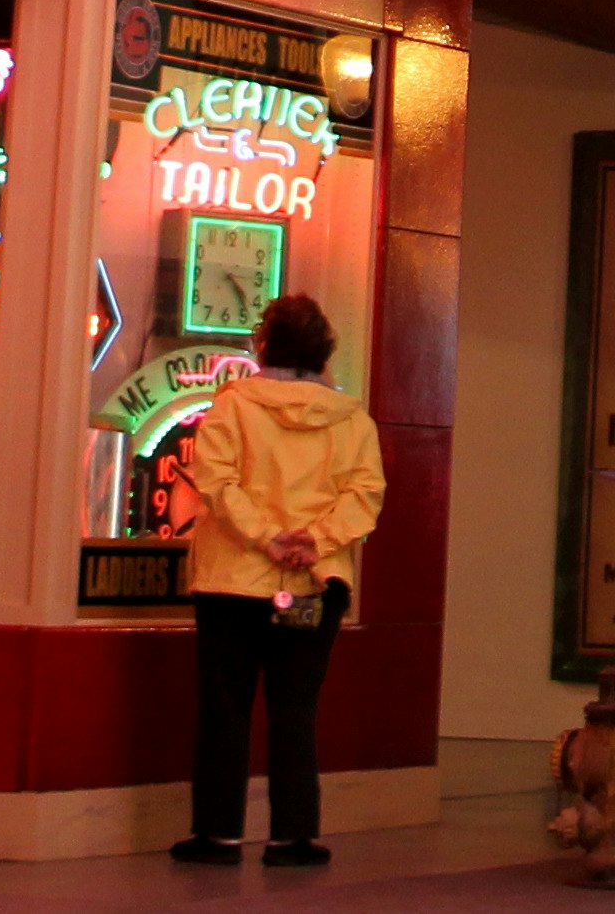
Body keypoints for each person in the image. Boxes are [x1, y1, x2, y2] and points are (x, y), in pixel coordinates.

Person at [174, 294, 388, 866]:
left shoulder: (232, 408)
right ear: (324, 352)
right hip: (315, 583)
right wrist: (312, 541)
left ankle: (217, 834)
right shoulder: (353, 421)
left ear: (263, 347)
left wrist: (266, 537)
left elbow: (216, 484)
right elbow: (365, 495)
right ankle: (293, 835)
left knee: (226, 708)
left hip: (232, 585)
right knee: (296, 709)